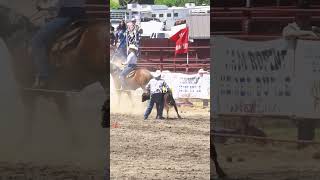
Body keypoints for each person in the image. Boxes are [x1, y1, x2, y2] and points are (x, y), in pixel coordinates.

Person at [31, 0, 86, 88]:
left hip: (68, 15)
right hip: (83, 14)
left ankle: (44, 77)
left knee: (37, 41)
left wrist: (43, 7)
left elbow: (55, 3)